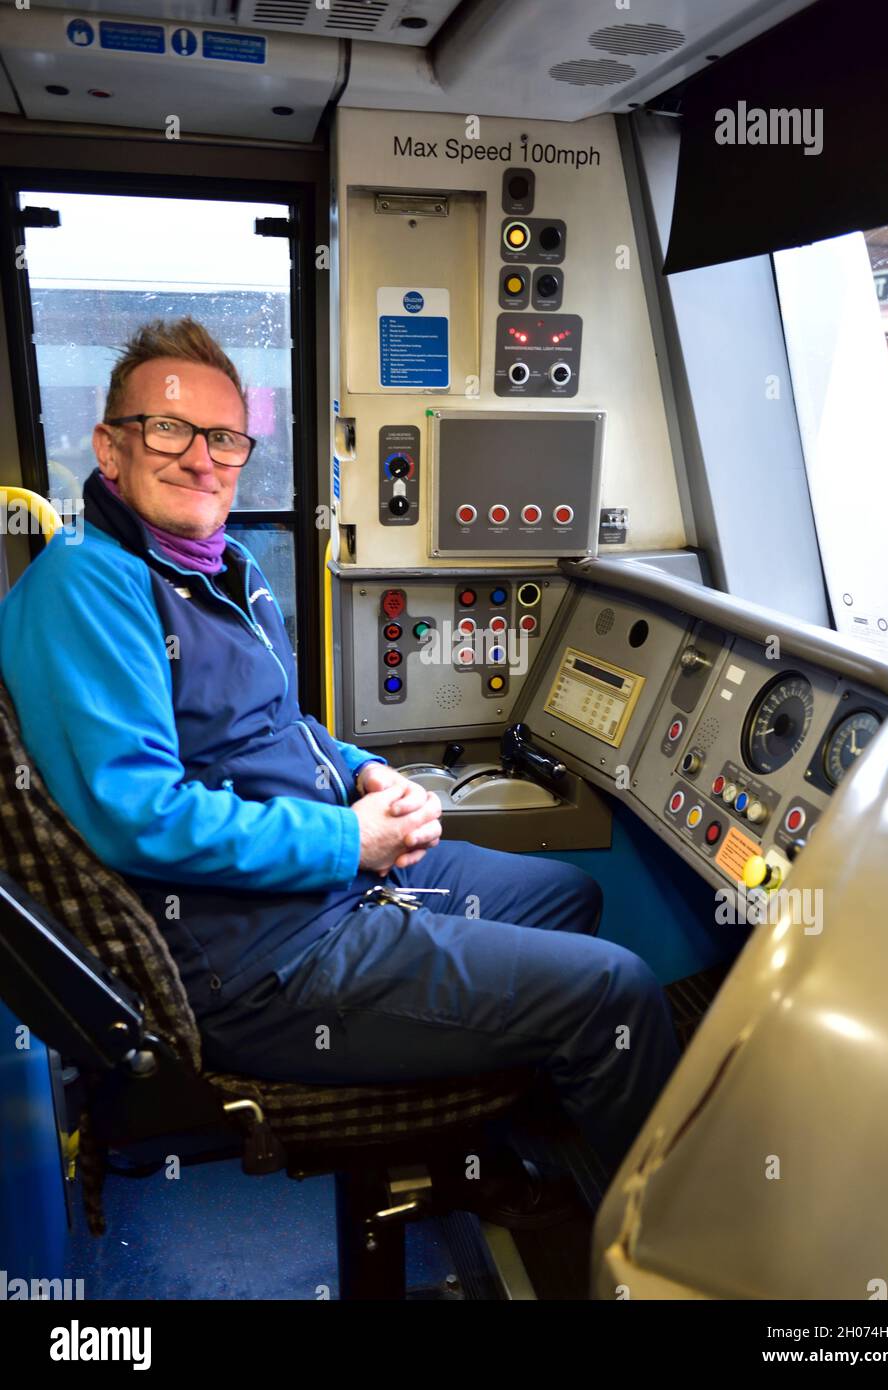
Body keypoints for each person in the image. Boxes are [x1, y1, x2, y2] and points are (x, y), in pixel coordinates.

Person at [0, 317, 678, 1211]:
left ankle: (507, 1141)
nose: (202, 458)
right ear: (111, 445)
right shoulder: (89, 584)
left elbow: (285, 724)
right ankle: (662, 1240)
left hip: (320, 886)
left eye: (225, 437)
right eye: (168, 430)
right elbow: (143, 817)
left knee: (568, 896)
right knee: (616, 991)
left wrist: (363, 772)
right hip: (253, 960)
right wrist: (345, 841)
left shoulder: (223, 566)